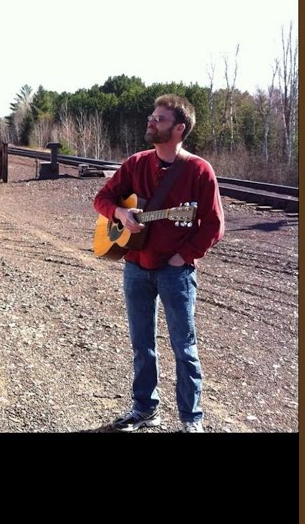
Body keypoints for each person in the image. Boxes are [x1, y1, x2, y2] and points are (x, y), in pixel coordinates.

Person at [93, 94, 224, 433]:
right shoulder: (136, 163)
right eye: (152, 117)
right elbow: (102, 198)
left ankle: (191, 419)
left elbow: (213, 225)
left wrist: (183, 257)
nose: (151, 122)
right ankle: (144, 409)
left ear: (179, 128)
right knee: (142, 345)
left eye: (160, 119)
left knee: (184, 347)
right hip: (136, 266)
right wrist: (120, 213)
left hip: (175, 272)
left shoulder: (198, 170)